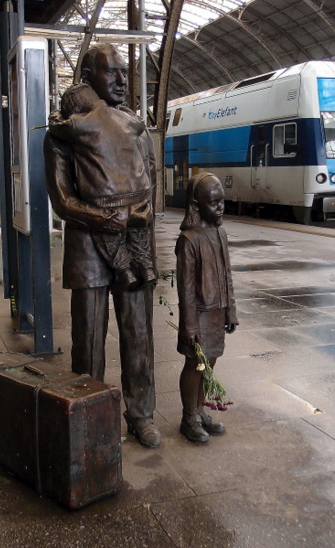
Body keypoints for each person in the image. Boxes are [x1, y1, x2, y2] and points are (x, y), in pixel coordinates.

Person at [44, 43, 160, 448]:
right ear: (88, 77)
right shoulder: (62, 133)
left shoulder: (134, 125)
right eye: (112, 73)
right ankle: (90, 417)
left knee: (139, 332)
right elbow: (62, 201)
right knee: (89, 338)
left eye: (124, 73)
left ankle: (141, 414)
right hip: (87, 242)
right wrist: (105, 218)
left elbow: (150, 177)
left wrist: (139, 214)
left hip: (132, 233)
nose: (123, 81)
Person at [48, 82, 156, 290]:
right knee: (138, 236)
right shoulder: (127, 119)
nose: (121, 80)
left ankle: (124, 270)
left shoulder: (78, 123)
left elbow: (58, 126)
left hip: (107, 198)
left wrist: (56, 116)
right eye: (111, 72)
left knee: (109, 240)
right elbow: (140, 122)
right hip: (138, 194)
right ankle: (146, 266)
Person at [175, 172, 238, 443]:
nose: (220, 208)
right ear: (197, 205)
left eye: (222, 202)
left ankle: (200, 411)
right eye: (213, 203)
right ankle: (189, 416)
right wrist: (188, 324)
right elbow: (185, 289)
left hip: (217, 310)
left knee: (209, 362)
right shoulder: (189, 240)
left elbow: (227, 275)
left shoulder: (220, 233)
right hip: (198, 314)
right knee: (195, 363)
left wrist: (230, 309)